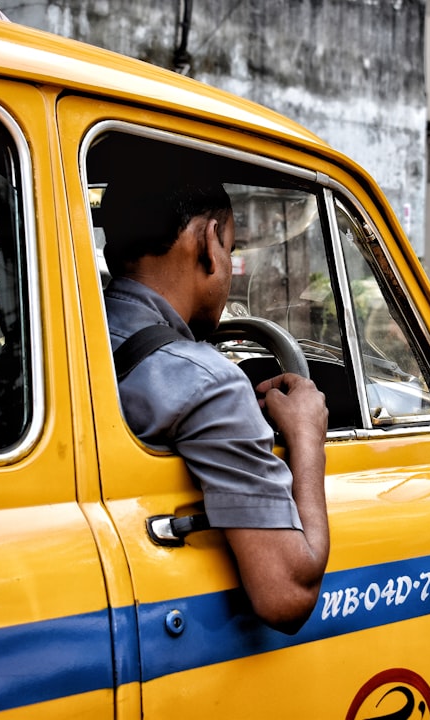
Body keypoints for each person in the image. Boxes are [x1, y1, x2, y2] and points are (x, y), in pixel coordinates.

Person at [100, 179, 329, 634]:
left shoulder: (73, 332)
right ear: (209, 242)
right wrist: (307, 437)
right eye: (231, 246)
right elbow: (287, 595)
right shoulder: (209, 382)